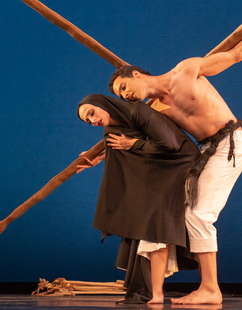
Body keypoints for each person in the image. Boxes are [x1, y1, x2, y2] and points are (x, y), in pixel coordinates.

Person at [107, 10, 242, 305]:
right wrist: (98, 155)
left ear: (134, 74)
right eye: (121, 96)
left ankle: (211, 289)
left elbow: (235, 55)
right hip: (205, 153)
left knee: (199, 215)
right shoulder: (155, 111)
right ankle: (194, 286)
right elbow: (136, 138)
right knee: (184, 213)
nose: (127, 96)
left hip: (229, 144)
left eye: (124, 88)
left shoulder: (186, 70)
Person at [77, 94, 200, 304]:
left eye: (92, 113)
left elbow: (169, 144)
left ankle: (156, 292)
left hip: (178, 167)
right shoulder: (112, 128)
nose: (93, 120)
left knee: (155, 230)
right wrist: (100, 157)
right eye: (88, 121)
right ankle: (152, 291)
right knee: (146, 232)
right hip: (157, 173)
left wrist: (133, 145)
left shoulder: (137, 111)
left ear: (102, 104)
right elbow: (121, 144)